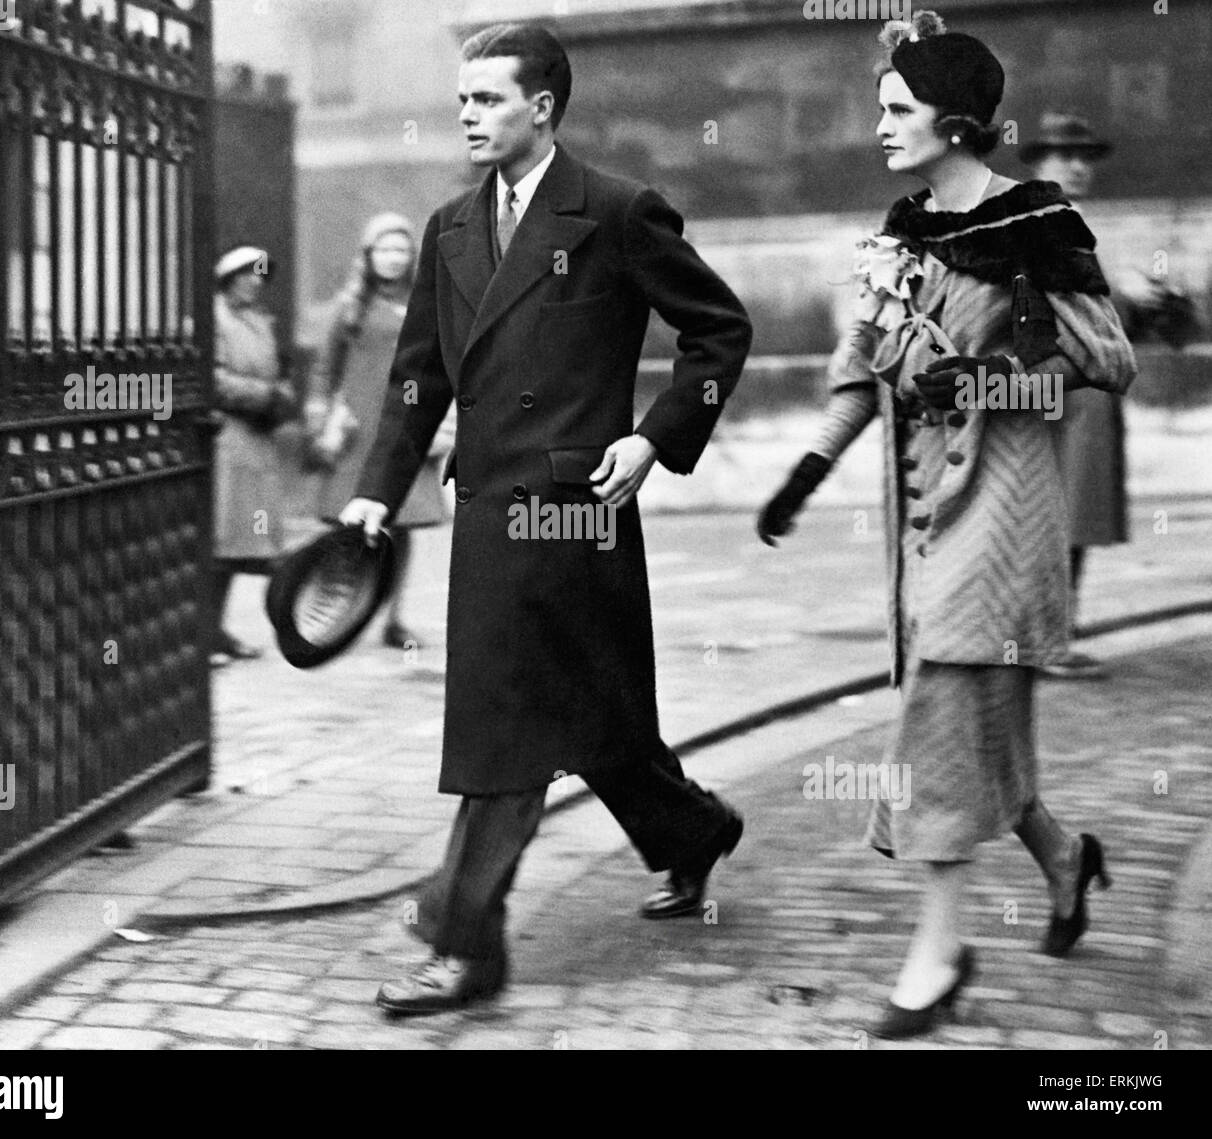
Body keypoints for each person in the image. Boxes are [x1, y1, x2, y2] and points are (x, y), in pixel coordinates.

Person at [339, 22, 753, 1015]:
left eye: (487, 99)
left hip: (577, 514)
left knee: (507, 728)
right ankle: (691, 832)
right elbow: (416, 379)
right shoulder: (447, 227)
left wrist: (653, 437)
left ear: (543, 108)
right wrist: (374, 488)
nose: (468, 117)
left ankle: (463, 940)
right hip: (488, 516)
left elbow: (718, 328)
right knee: (597, 718)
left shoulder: (614, 212)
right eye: (461, 101)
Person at [756, 11, 1136, 1039]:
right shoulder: (900, 231)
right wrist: (805, 467)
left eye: (895, 109)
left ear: (957, 121)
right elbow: (858, 369)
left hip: (1006, 515)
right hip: (921, 517)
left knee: (935, 722)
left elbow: (1106, 360)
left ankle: (939, 948)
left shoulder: (1034, 226)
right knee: (979, 726)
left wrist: (998, 381)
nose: (877, 125)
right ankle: (1064, 859)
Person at [1021, 114, 1199, 678]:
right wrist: (1125, 299)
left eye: (1086, 158)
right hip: (1058, 397)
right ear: (1038, 163)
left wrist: (1148, 308)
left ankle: (1054, 631)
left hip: (1084, 400)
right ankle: (1044, 640)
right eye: (1064, 155)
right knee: (1054, 521)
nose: (1078, 167)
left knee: (1071, 522)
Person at [308, 214, 451, 649]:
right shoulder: (349, 306)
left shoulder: (426, 304)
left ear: (412, 257)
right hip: (359, 425)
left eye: (401, 250)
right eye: (383, 250)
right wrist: (320, 418)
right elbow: (324, 369)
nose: (392, 259)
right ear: (368, 257)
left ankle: (394, 618)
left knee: (401, 524)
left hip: (405, 424)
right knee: (347, 526)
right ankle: (336, 612)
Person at [212, 245, 296, 664]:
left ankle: (216, 632)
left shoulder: (260, 322)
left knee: (244, 541)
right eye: (249, 274)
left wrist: (282, 395)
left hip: (258, 439)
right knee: (222, 543)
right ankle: (205, 633)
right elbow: (212, 377)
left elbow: (277, 373)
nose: (257, 281)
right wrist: (265, 395)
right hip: (229, 439)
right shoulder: (215, 318)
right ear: (230, 277)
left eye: (261, 275)